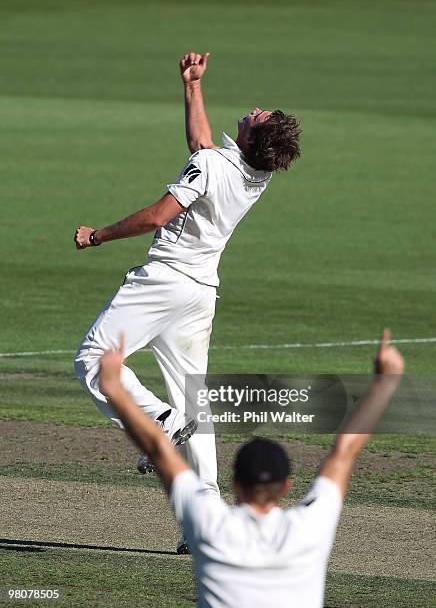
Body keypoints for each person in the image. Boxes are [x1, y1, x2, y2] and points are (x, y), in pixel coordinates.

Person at [73, 50, 302, 546]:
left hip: (162, 283)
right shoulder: (253, 175)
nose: (254, 110)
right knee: (194, 403)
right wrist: (192, 85)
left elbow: (158, 216)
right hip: (201, 294)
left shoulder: (212, 165)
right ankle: (203, 525)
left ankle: (158, 419)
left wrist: (97, 236)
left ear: (252, 137)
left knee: (93, 361)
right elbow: (203, 147)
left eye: (258, 117)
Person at [97, 330, 404, 607]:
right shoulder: (309, 527)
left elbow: (160, 449)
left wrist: (113, 386)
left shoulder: (211, 525)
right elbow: (343, 454)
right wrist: (385, 384)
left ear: (236, 485)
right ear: (286, 486)